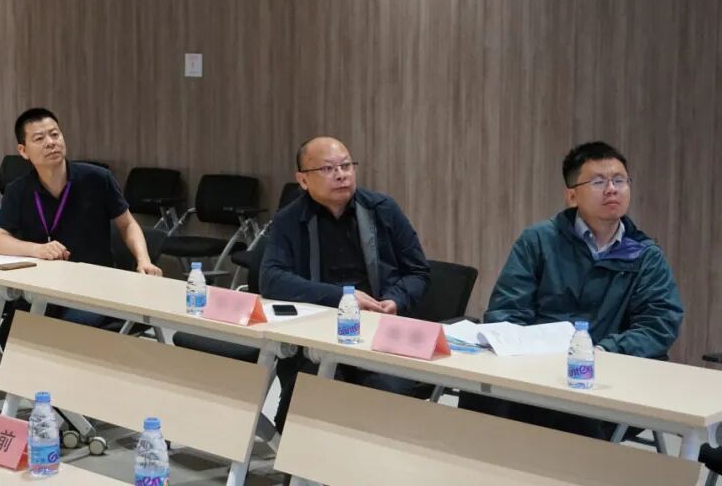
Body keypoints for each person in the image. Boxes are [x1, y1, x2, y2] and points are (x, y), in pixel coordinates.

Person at [459, 141, 683, 439]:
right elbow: (507, 310)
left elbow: (659, 323)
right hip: (535, 367)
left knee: (573, 413)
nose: (612, 189)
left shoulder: (644, 254)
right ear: (572, 195)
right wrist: (527, 353)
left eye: (619, 180)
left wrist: (604, 351)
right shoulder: (539, 241)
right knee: (480, 393)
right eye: (599, 182)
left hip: (606, 373)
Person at [261, 136, 431, 431]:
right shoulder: (289, 219)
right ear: (303, 180)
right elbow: (271, 279)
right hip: (315, 338)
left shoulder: (382, 210)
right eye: (328, 169)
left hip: (380, 337)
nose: (341, 175)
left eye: (346, 166)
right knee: (312, 399)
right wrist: (341, 297)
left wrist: (396, 299)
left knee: (383, 399)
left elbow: (418, 271)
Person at [0, 107, 161, 327]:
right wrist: (37, 249)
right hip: (43, 285)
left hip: (94, 287)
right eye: (39, 138)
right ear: (23, 151)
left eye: (55, 134)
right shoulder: (18, 190)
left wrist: (143, 260)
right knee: (11, 329)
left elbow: (127, 225)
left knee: (66, 328)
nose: (50, 143)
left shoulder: (98, 179)